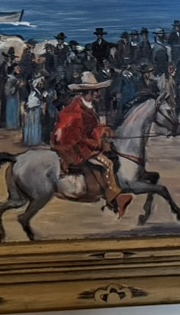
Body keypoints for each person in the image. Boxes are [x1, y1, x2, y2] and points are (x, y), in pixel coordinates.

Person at [54, 72, 129, 216]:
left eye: (97, 91)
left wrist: (103, 131)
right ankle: (113, 197)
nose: (98, 94)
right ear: (87, 92)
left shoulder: (87, 106)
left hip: (85, 143)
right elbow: (77, 136)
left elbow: (91, 129)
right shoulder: (76, 111)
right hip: (78, 148)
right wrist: (96, 142)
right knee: (108, 164)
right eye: (96, 91)